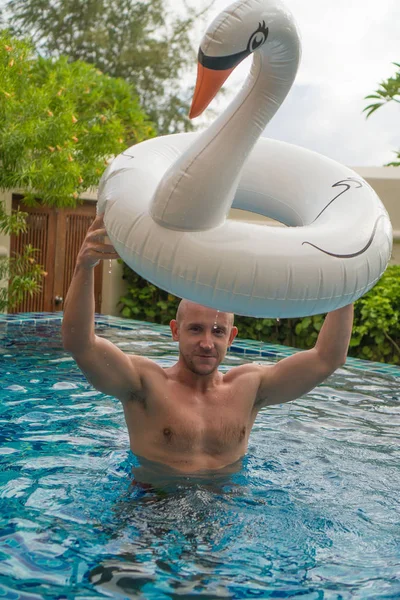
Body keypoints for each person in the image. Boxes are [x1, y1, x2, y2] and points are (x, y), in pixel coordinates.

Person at [62, 214, 354, 476]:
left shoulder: (249, 387)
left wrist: (349, 285)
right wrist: (84, 266)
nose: (206, 343)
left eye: (217, 331)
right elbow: (81, 343)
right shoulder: (144, 384)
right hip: (153, 509)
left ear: (231, 337)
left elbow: (328, 357)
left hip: (226, 514)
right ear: (175, 331)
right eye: (195, 329)